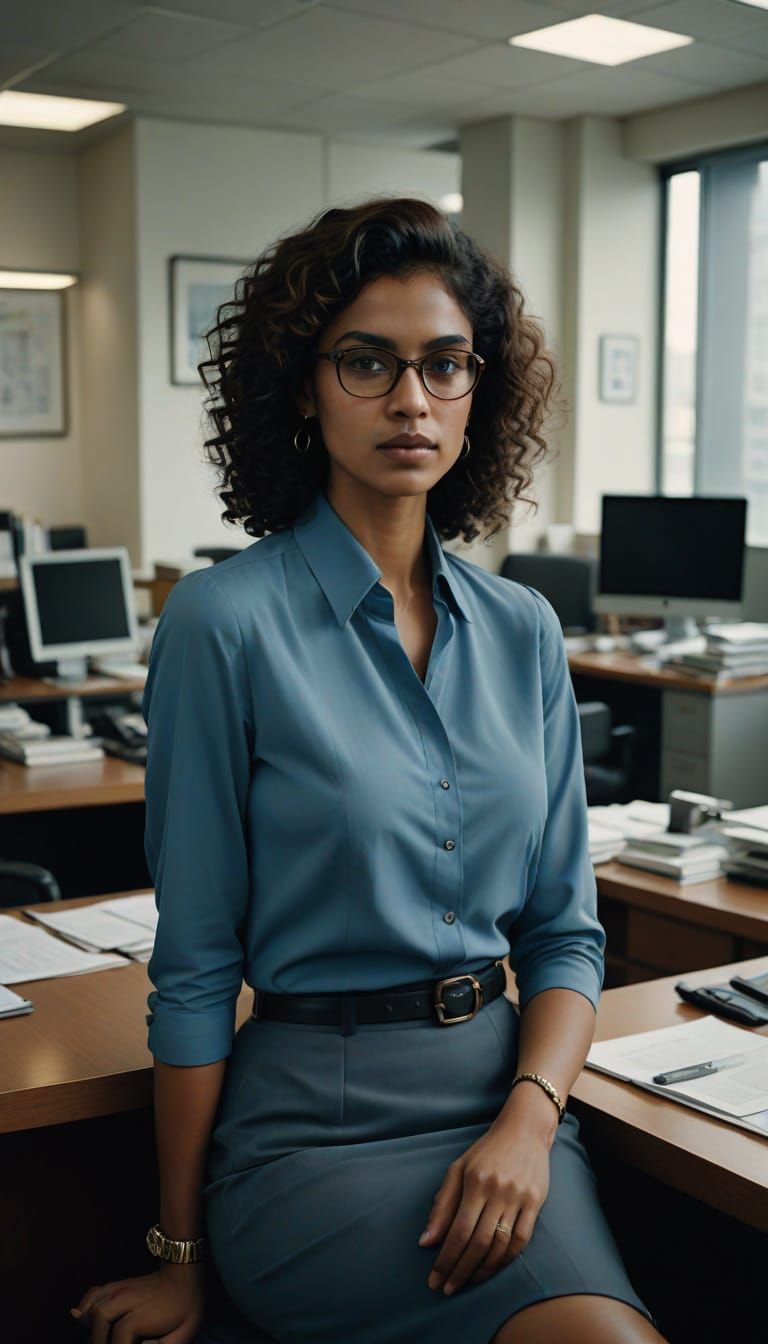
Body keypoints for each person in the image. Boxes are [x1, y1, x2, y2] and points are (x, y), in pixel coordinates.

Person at [72, 198, 667, 1344]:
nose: (411, 400)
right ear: (304, 387)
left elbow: (565, 934)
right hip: (314, 1134)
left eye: (445, 366)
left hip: (508, 1109)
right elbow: (195, 969)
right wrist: (177, 1256)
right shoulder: (221, 623)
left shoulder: (527, 631)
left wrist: (531, 1123)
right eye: (367, 364)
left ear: (476, 391)